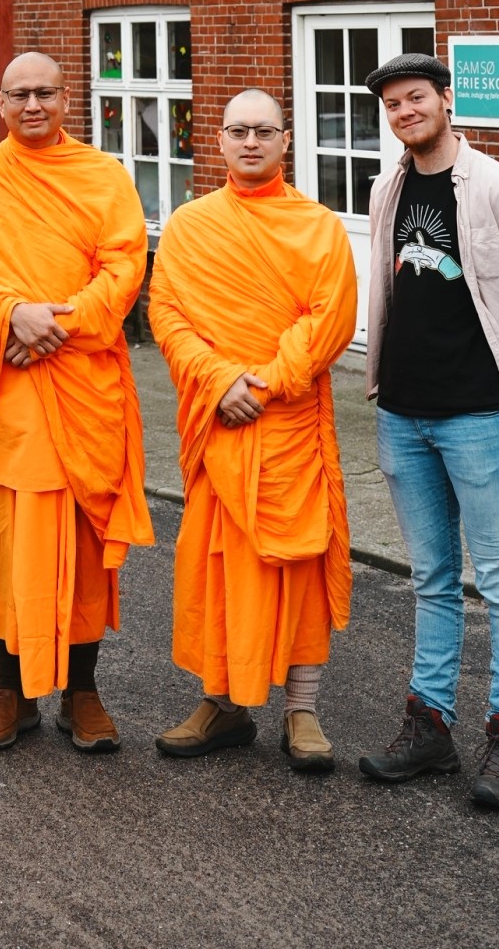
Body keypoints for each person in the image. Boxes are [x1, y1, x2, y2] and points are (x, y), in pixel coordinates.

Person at [356, 52, 499, 811]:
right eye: (392, 104)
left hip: (479, 418)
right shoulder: (387, 188)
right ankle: (429, 729)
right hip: (402, 414)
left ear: (446, 100)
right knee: (432, 580)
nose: (404, 112)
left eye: (416, 97)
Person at [0, 52, 153, 753]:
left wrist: (56, 325)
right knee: (10, 545)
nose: (32, 105)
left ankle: (82, 691)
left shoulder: (102, 175)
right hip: (10, 391)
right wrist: (11, 313)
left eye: (45, 93)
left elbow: (125, 266)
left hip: (83, 384)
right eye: (19, 95)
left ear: (66, 99)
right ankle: (13, 690)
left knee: (84, 546)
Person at [149, 90, 357, 773]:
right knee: (216, 566)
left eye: (263, 131)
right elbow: (168, 314)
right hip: (220, 422)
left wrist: (262, 386)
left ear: (285, 140)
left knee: (297, 566)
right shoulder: (189, 225)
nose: (249, 142)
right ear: (218, 139)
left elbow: (329, 320)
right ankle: (223, 704)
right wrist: (219, 382)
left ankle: (302, 709)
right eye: (237, 130)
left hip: (287, 423)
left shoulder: (318, 226)